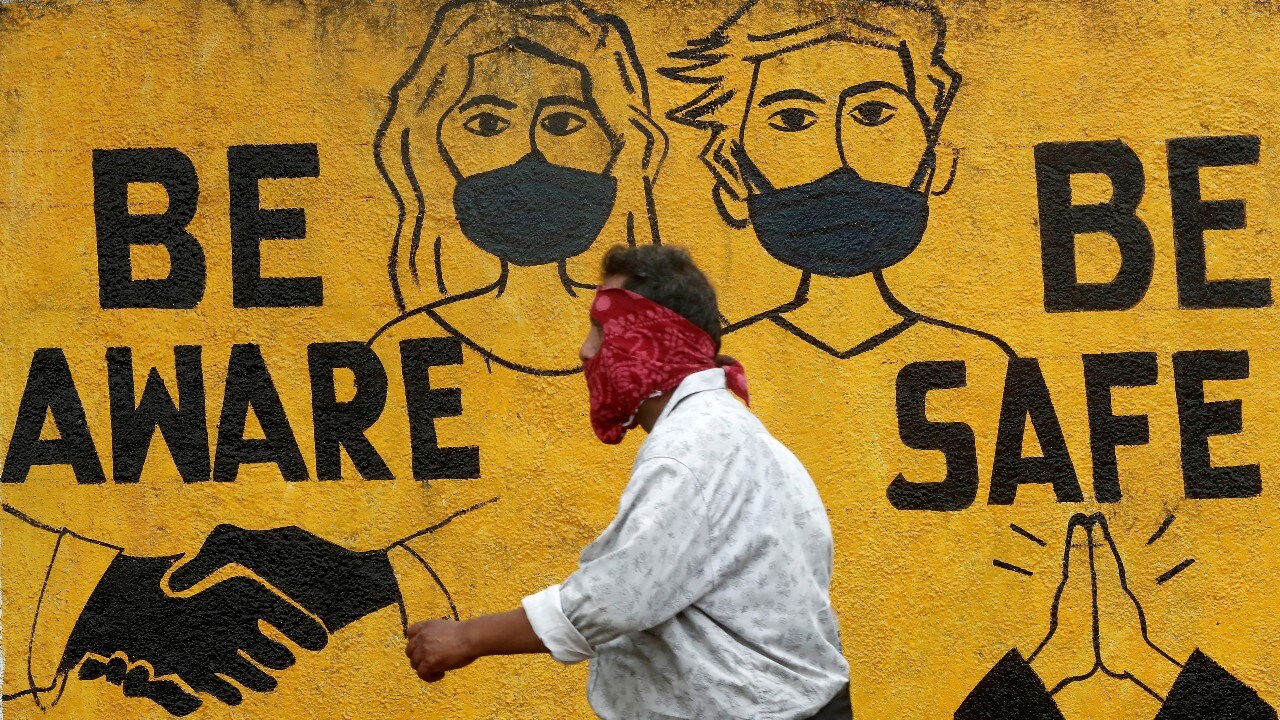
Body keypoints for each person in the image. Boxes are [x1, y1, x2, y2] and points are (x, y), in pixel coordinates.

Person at [403, 244, 852, 719]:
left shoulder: (690, 448)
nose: (585, 350)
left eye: (601, 330)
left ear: (649, 342)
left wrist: (465, 638)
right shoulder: (735, 431)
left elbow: (614, 598)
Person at [371, 0, 666, 375]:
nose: (530, 155)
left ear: (621, 141)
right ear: (432, 143)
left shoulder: (679, 343)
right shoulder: (403, 347)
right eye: (487, 124)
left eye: (562, 123)